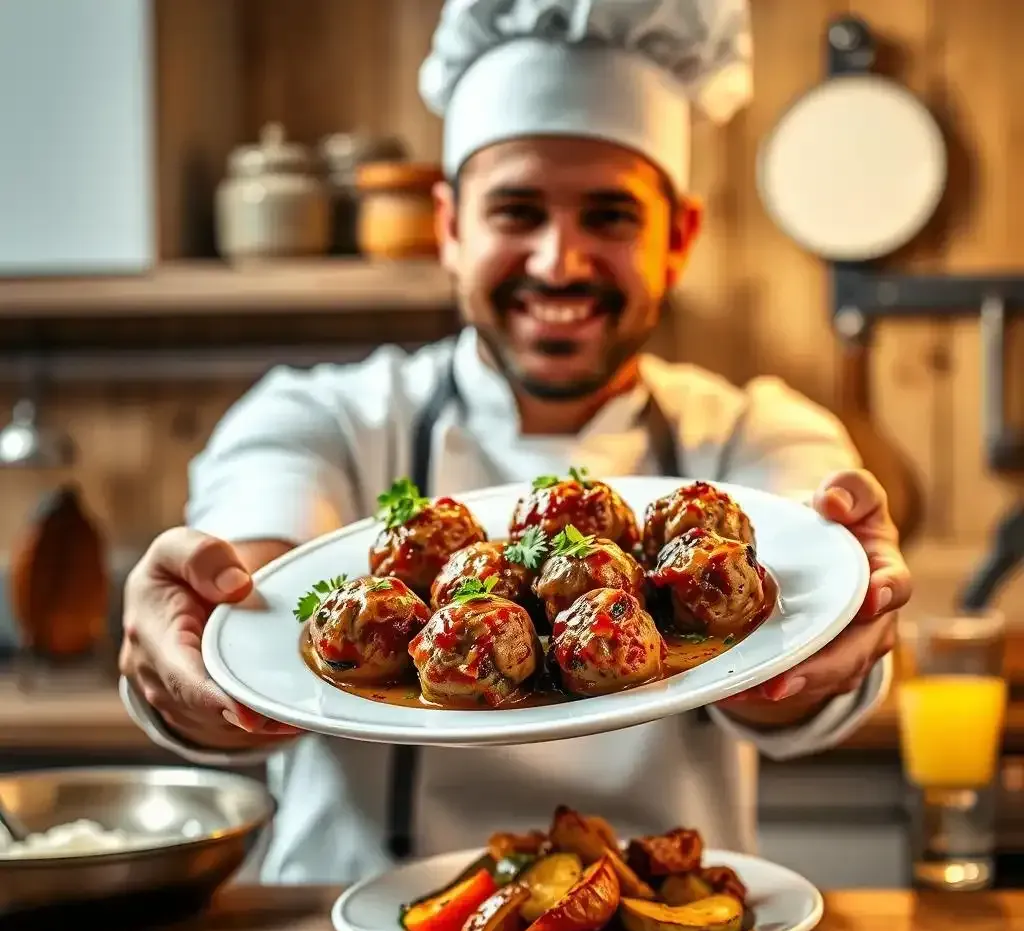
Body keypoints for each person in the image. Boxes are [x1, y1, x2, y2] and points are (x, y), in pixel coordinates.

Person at [118, 0, 911, 884]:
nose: (558, 262)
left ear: (677, 238)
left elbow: (799, 620)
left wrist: (828, 641)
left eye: (610, 217)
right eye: (517, 212)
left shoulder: (759, 431)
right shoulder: (320, 416)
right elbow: (260, 592)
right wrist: (204, 661)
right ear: (451, 228)